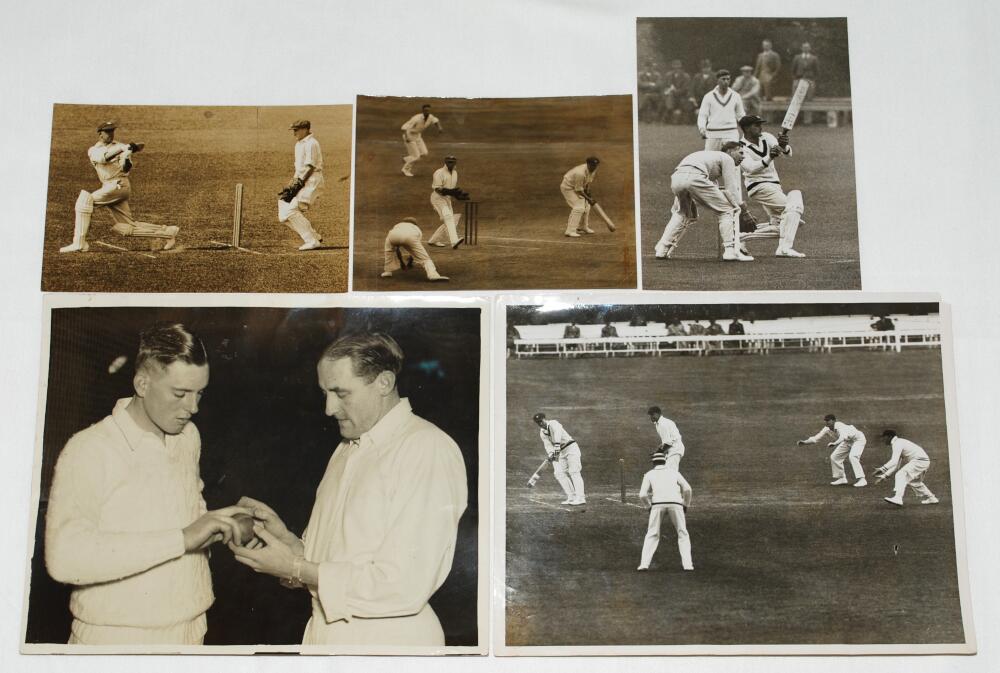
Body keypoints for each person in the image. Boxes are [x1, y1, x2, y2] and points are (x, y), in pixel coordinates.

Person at [231, 333, 468, 646]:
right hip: (328, 640)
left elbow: (403, 585)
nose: (329, 408)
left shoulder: (426, 448)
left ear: (384, 383)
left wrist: (296, 567)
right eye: (325, 393)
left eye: (341, 393)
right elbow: (339, 563)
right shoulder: (348, 448)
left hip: (389, 648)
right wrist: (287, 542)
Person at [44, 323, 252, 645]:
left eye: (200, 393)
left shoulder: (188, 437)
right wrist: (182, 539)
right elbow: (64, 558)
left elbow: (185, 513)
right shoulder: (89, 448)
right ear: (142, 383)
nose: (193, 408)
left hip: (192, 629)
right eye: (180, 394)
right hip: (116, 641)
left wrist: (219, 524)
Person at [59, 120, 179, 253]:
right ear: (100, 134)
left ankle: (79, 243)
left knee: (84, 201)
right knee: (126, 227)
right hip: (110, 186)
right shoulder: (94, 150)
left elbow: (126, 168)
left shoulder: (122, 146)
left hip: (119, 185)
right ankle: (168, 232)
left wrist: (127, 156)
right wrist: (123, 149)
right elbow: (104, 158)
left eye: (112, 131)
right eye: (108, 131)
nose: (111, 134)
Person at [652, 143, 754, 262]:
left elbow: (712, 186)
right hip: (695, 177)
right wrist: (743, 209)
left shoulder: (708, 156)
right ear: (730, 151)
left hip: (676, 178)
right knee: (728, 210)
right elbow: (731, 188)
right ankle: (731, 251)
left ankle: (662, 249)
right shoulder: (727, 158)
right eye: (740, 153)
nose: (743, 157)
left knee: (683, 214)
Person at [738, 115, 805, 258]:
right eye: (757, 125)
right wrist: (769, 157)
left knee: (782, 225)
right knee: (794, 210)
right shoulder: (740, 147)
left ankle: (739, 237)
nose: (760, 127)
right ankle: (784, 248)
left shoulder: (766, 137)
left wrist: (784, 145)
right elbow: (750, 168)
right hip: (758, 187)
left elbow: (787, 154)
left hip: (774, 185)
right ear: (747, 128)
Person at [637, 452, 693, 571]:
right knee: (683, 533)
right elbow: (687, 489)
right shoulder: (674, 472)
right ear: (665, 461)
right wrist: (686, 504)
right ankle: (688, 565)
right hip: (676, 503)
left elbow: (642, 495)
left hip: (657, 504)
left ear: (653, 462)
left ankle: (644, 564)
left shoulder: (649, 474)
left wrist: (648, 506)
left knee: (652, 533)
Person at [278, 120, 325, 251]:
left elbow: (311, 166)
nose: (294, 133)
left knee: (291, 211)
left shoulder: (311, 143)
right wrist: (292, 182)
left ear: (305, 129)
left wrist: (300, 183)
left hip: (311, 181)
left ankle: (311, 241)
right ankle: (314, 235)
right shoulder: (299, 144)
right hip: (301, 179)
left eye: (296, 130)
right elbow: (299, 167)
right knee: (283, 211)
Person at [798, 414, 867, 487]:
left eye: (828, 420)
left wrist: (834, 443)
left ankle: (862, 480)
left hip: (858, 440)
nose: (827, 422)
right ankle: (842, 478)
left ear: (834, 421)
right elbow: (816, 438)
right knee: (834, 457)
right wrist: (805, 442)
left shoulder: (840, 426)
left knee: (853, 457)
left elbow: (842, 438)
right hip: (848, 441)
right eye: (826, 421)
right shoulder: (826, 429)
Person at [874, 430, 939, 506]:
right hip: (924, 461)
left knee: (900, 474)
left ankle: (898, 498)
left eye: (884, 438)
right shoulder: (899, 442)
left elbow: (894, 461)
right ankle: (932, 498)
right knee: (915, 482)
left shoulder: (897, 443)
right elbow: (896, 465)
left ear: (890, 437)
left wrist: (881, 469)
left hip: (919, 461)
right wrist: (884, 476)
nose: (883, 440)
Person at [532, 412, 585, 505]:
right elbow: (547, 445)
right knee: (559, 473)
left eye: (541, 421)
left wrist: (556, 445)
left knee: (574, 472)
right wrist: (551, 453)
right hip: (560, 452)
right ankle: (571, 497)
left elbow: (558, 433)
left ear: (545, 419)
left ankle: (580, 498)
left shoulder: (554, 423)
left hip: (571, 448)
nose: (540, 423)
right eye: (538, 422)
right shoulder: (542, 433)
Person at [380, 217, 449, 281]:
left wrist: (401, 262)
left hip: (393, 235)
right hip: (411, 236)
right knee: (425, 258)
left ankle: (387, 272)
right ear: (415, 224)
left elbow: (397, 250)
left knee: (388, 251)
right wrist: (409, 263)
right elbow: (414, 250)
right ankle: (433, 275)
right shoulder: (416, 229)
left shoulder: (398, 225)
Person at [697, 69, 746, 151]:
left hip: (731, 132)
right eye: (723, 79)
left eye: (728, 79)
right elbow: (703, 115)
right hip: (713, 133)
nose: (726, 81)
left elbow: (741, 115)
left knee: (733, 159)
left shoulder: (736, 96)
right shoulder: (708, 96)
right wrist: (702, 128)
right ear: (717, 80)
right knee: (711, 159)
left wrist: (746, 129)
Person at [427, 156, 465, 249]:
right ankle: (454, 241)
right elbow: (438, 189)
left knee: (450, 220)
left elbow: (450, 189)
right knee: (448, 218)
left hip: (447, 199)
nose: (450, 163)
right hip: (437, 198)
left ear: (455, 163)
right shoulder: (439, 173)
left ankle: (433, 240)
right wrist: (452, 192)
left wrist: (457, 196)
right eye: (448, 162)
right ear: (445, 162)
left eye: (452, 162)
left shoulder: (455, 173)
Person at [560, 157, 600, 238]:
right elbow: (578, 190)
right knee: (579, 208)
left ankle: (583, 227)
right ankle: (570, 231)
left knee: (587, 206)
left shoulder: (593, 170)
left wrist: (589, 195)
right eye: (592, 165)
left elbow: (587, 183)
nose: (594, 167)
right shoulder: (580, 173)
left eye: (595, 165)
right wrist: (589, 199)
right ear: (588, 164)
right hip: (568, 188)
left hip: (577, 187)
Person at [401, 104, 443, 177]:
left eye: (428, 110)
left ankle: (407, 159)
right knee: (416, 157)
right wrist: (407, 137)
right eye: (426, 110)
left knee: (425, 153)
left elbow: (436, 121)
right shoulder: (416, 118)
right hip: (409, 136)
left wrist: (439, 128)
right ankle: (405, 169)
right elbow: (405, 127)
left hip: (418, 136)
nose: (427, 112)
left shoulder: (430, 117)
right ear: (423, 111)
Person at [791, 42, 820, 124]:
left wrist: (812, 80)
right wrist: (796, 79)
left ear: (810, 48)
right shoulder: (797, 57)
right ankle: (794, 120)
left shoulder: (814, 58)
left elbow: (817, 71)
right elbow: (793, 69)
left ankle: (807, 121)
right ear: (801, 48)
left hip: (809, 80)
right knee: (796, 99)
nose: (806, 49)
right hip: (798, 79)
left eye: (807, 47)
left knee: (809, 99)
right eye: (804, 47)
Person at [662, 59, 692, 124]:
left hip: (682, 96)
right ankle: (667, 116)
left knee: (672, 98)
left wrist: (675, 91)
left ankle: (668, 115)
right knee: (668, 97)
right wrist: (667, 91)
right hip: (670, 95)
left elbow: (685, 89)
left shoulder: (686, 76)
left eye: (678, 68)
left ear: (681, 68)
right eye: (675, 67)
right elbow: (664, 86)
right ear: (672, 67)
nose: (676, 69)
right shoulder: (668, 75)